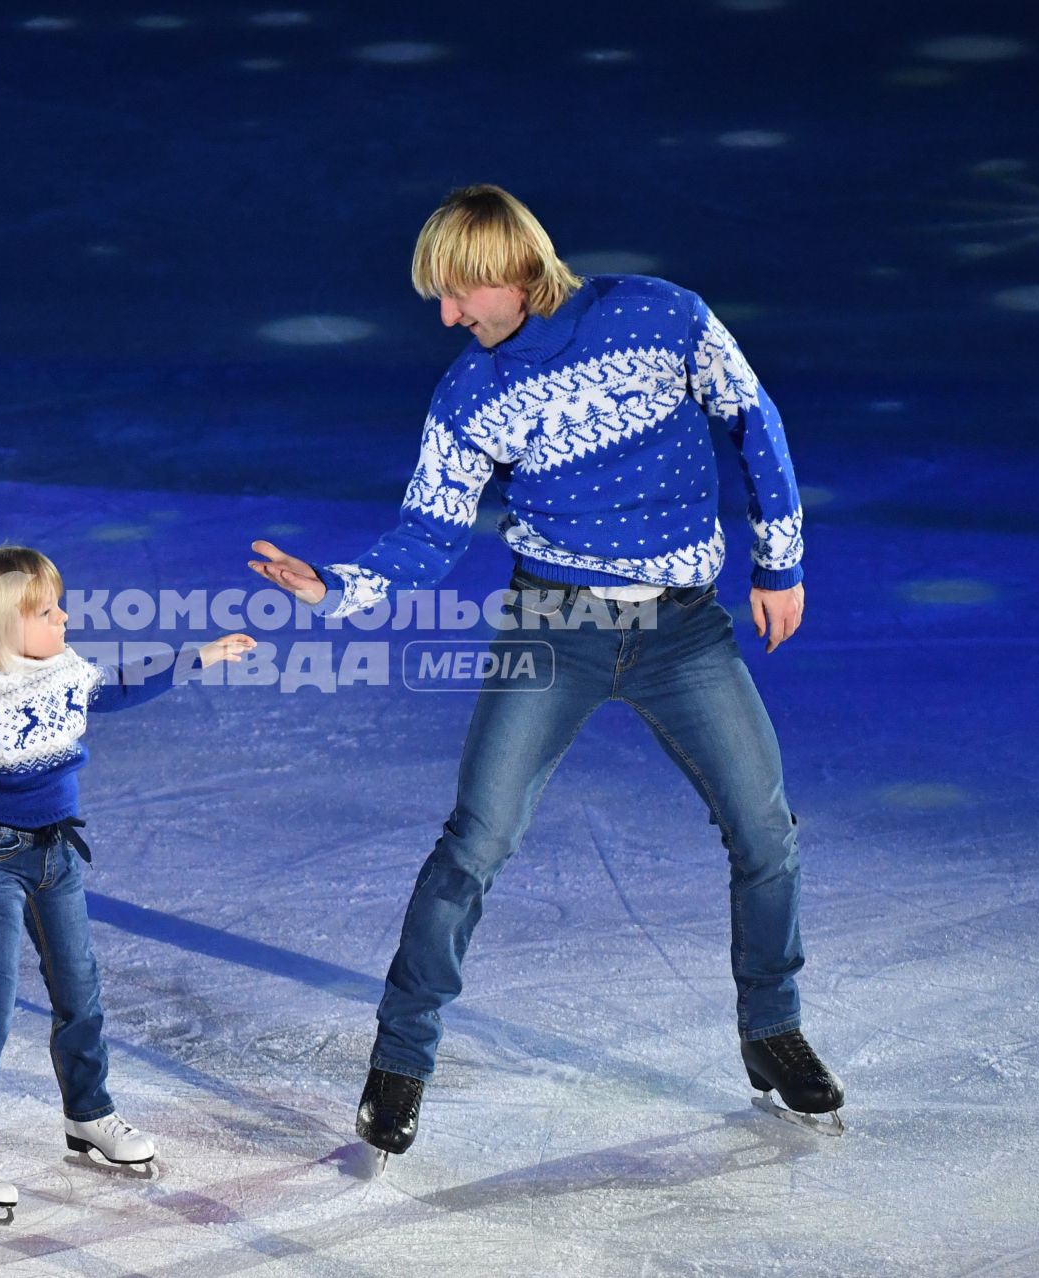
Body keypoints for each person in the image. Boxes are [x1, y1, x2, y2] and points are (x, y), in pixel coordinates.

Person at [249, 184, 845, 1158]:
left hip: (685, 633)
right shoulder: (469, 392)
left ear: (513, 274)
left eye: (457, 295)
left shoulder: (662, 315)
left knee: (766, 832)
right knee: (476, 843)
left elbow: (755, 419)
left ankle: (772, 1028)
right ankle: (399, 1062)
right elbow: (431, 534)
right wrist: (336, 589)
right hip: (553, 628)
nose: (445, 317)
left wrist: (782, 562)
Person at [0, 545, 254, 1213]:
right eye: (47, 611)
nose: (64, 618)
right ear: (0, 628)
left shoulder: (60, 668)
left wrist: (194, 658)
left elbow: (114, 686)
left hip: (57, 855)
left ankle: (88, 1114)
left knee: (80, 992)